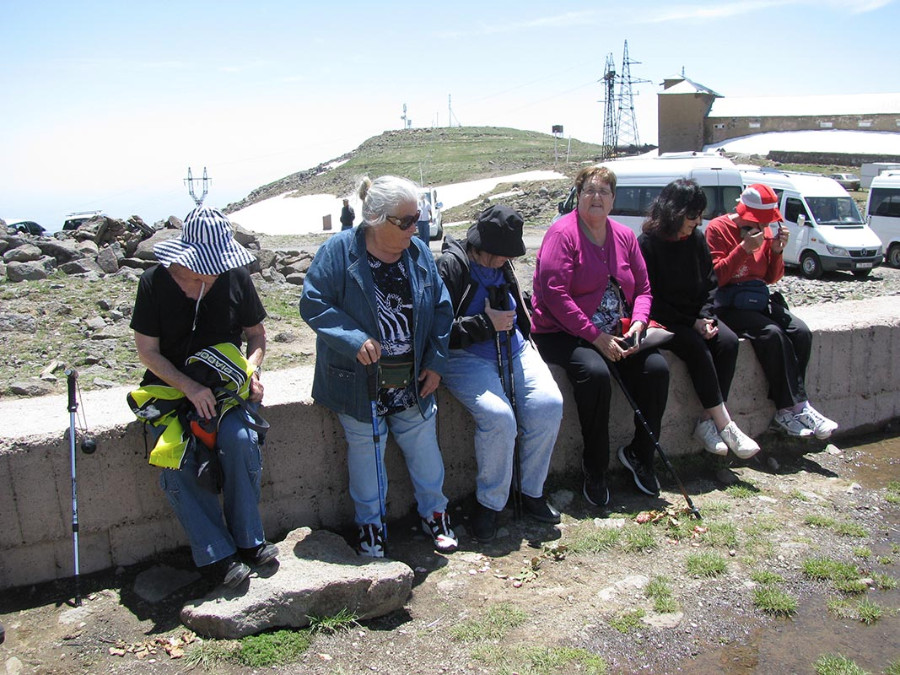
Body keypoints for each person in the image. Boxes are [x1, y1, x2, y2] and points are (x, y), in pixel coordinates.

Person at [300, 175, 457, 558]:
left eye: (416, 218)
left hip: (412, 379)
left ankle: (435, 514)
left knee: (425, 450)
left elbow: (441, 309)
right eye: (404, 221)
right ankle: (371, 526)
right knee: (367, 454)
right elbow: (313, 303)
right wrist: (354, 339)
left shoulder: (418, 253)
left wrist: (435, 362)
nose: (414, 228)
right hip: (359, 383)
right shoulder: (339, 252)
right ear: (374, 217)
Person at [130, 206, 276, 589]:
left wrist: (252, 370)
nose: (207, 280)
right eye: (198, 273)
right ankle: (217, 554)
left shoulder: (235, 278)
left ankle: (249, 541)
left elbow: (256, 335)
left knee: (241, 441)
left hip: (226, 388)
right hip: (173, 388)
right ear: (182, 260)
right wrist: (189, 388)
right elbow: (148, 352)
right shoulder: (153, 283)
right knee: (176, 462)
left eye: (214, 271)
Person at [531, 166, 669, 507]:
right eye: (589, 190)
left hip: (616, 330)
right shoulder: (562, 234)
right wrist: (595, 337)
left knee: (656, 370)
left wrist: (638, 322)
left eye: (603, 191)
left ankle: (640, 454)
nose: (596, 197)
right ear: (578, 196)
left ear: (613, 199)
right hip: (565, 333)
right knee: (594, 375)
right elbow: (554, 294)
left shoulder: (624, 236)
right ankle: (595, 467)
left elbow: (645, 288)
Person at [437, 205, 564, 543]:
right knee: (499, 419)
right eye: (496, 255)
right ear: (479, 245)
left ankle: (531, 491)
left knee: (548, 404)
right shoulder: (451, 267)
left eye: (507, 256)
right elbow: (436, 331)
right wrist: (485, 325)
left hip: (514, 348)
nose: (502, 262)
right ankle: (490, 503)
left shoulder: (502, 263)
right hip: (465, 357)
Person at [706, 183, 838, 439]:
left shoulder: (765, 232)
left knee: (800, 332)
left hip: (757, 297)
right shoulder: (718, 228)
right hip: (729, 302)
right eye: (759, 220)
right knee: (772, 334)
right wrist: (743, 249)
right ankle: (793, 406)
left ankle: (793, 407)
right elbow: (716, 277)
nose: (763, 226)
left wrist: (777, 252)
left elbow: (772, 277)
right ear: (742, 211)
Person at [639, 179, 759, 459]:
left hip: (696, 315)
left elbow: (710, 282)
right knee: (696, 348)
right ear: (674, 212)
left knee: (728, 341)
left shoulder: (696, 239)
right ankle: (726, 425)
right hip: (666, 319)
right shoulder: (648, 244)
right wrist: (691, 323)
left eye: (700, 214)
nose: (697, 221)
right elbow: (649, 298)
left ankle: (708, 421)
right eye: (692, 215)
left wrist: (706, 316)